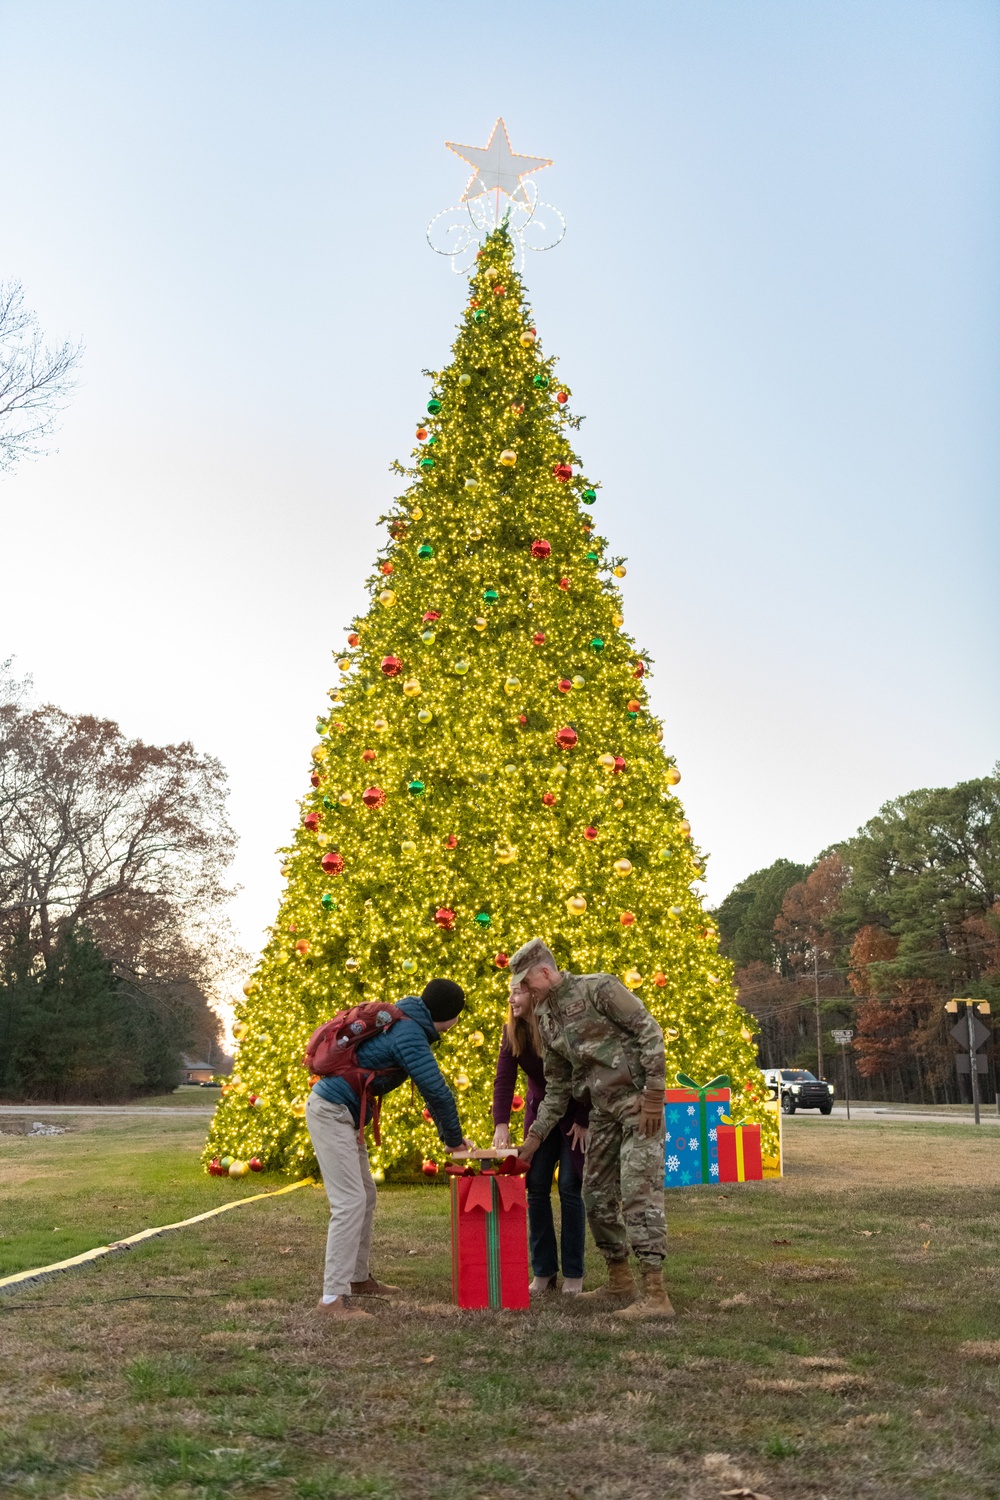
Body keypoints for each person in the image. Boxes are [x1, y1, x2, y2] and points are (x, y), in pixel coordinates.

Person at [511, 938, 674, 1319]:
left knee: (638, 1191)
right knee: (595, 1194)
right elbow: (558, 1088)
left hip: (638, 1106)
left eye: (526, 983)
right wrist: (533, 1140)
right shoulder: (546, 1019)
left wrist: (654, 1095)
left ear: (546, 972)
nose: (523, 991)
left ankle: (656, 1295)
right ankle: (620, 1279)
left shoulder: (599, 988)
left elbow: (649, 1031)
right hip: (603, 1111)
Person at [306, 977, 474, 1322]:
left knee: (365, 1195)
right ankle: (331, 1300)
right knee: (349, 1201)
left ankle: (358, 1278)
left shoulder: (402, 1018)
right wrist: (454, 1141)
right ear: (451, 1017)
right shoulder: (410, 1033)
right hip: (331, 1113)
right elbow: (437, 1092)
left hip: (346, 1116)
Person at [491, 983, 589, 1296]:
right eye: (509, 992)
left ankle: (574, 1273)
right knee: (536, 1188)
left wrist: (586, 1119)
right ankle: (544, 1272)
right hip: (539, 1119)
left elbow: (588, 1071)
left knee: (570, 1188)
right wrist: (501, 1124)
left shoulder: (563, 1025)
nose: (510, 998)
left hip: (575, 1118)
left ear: (534, 995)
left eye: (516, 992)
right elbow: (503, 1080)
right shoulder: (512, 1033)